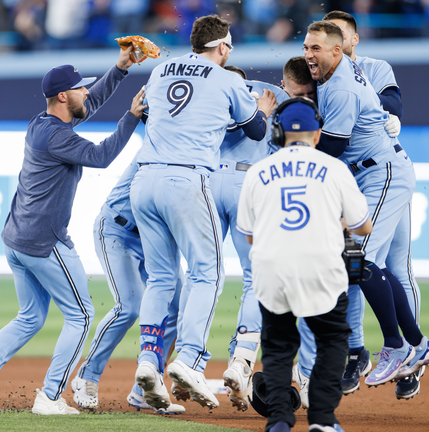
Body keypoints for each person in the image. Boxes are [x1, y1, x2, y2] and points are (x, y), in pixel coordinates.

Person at [0, 46, 147, 415]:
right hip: (43, 241)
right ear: (62, 95)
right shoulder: (57, 137)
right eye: (79, 88)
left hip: (17, 238)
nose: (86, 91)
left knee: (30, 317)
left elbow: (87, 105)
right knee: (83, 315)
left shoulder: (43, 124)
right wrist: (132, 117)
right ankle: (51, 396)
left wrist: (120, 69)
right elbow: (101, 156)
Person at [130, 14, 277, 410]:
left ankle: (148, 359)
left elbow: (145, 111)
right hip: (187, 179)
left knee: (161, 277)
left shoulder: (161, 70)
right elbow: (256, 131)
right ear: (223, 48)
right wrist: (261, 109)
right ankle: (191, 359)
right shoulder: (228, 79)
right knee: (207, 272)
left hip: (143, 180)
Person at [302, 20, 429, 396]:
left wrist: (292, 157)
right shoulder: (335, 76)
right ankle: (415, 343)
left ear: (337, 50)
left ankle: (398, 345)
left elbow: (332, 146)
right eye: (305, 47)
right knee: (362, 262)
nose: (308, 54)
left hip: (382, 174)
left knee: (358, 261)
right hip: (370, 175)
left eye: (316, 48)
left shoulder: (342, 86)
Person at [236, 97, 372, 432]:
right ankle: (323, 420)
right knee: (332, 340)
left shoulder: (258, 172)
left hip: (271, 269)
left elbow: (249, 237)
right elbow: (363, 226)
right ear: (317, 132)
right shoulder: (335, 168)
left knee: (279, 347)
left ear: (278, 132)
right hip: (321, 267)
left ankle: (280, 419)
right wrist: (336, 222)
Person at [213, 60, 316, 412]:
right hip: (251, 186)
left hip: (207, 182)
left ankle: (184, 362)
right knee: (257, 280)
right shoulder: (280, 102)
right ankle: (244, 360)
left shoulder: (213, 95)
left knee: (198, 278)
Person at [69, 154, 187, 415]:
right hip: (118, 231)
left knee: (178, 306)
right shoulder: (155, 149)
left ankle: (147, 388)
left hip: (155, 238)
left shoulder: (193, 154)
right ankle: (87, 376)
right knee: (129, 307)